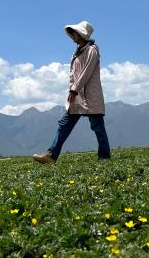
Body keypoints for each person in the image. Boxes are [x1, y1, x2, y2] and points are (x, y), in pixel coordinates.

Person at [33, 20, 111, 164]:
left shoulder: (92, 50)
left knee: (97, 126)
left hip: (89, 96)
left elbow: (86, 73)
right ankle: (51, 156)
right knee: (64, 124)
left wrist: (74, 90)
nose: (72, 35)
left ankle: (104, 157)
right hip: (78, 97)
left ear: (82, 34)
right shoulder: (78, 52)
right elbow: (74, 75)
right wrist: (73, 91)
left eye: (74, 32)